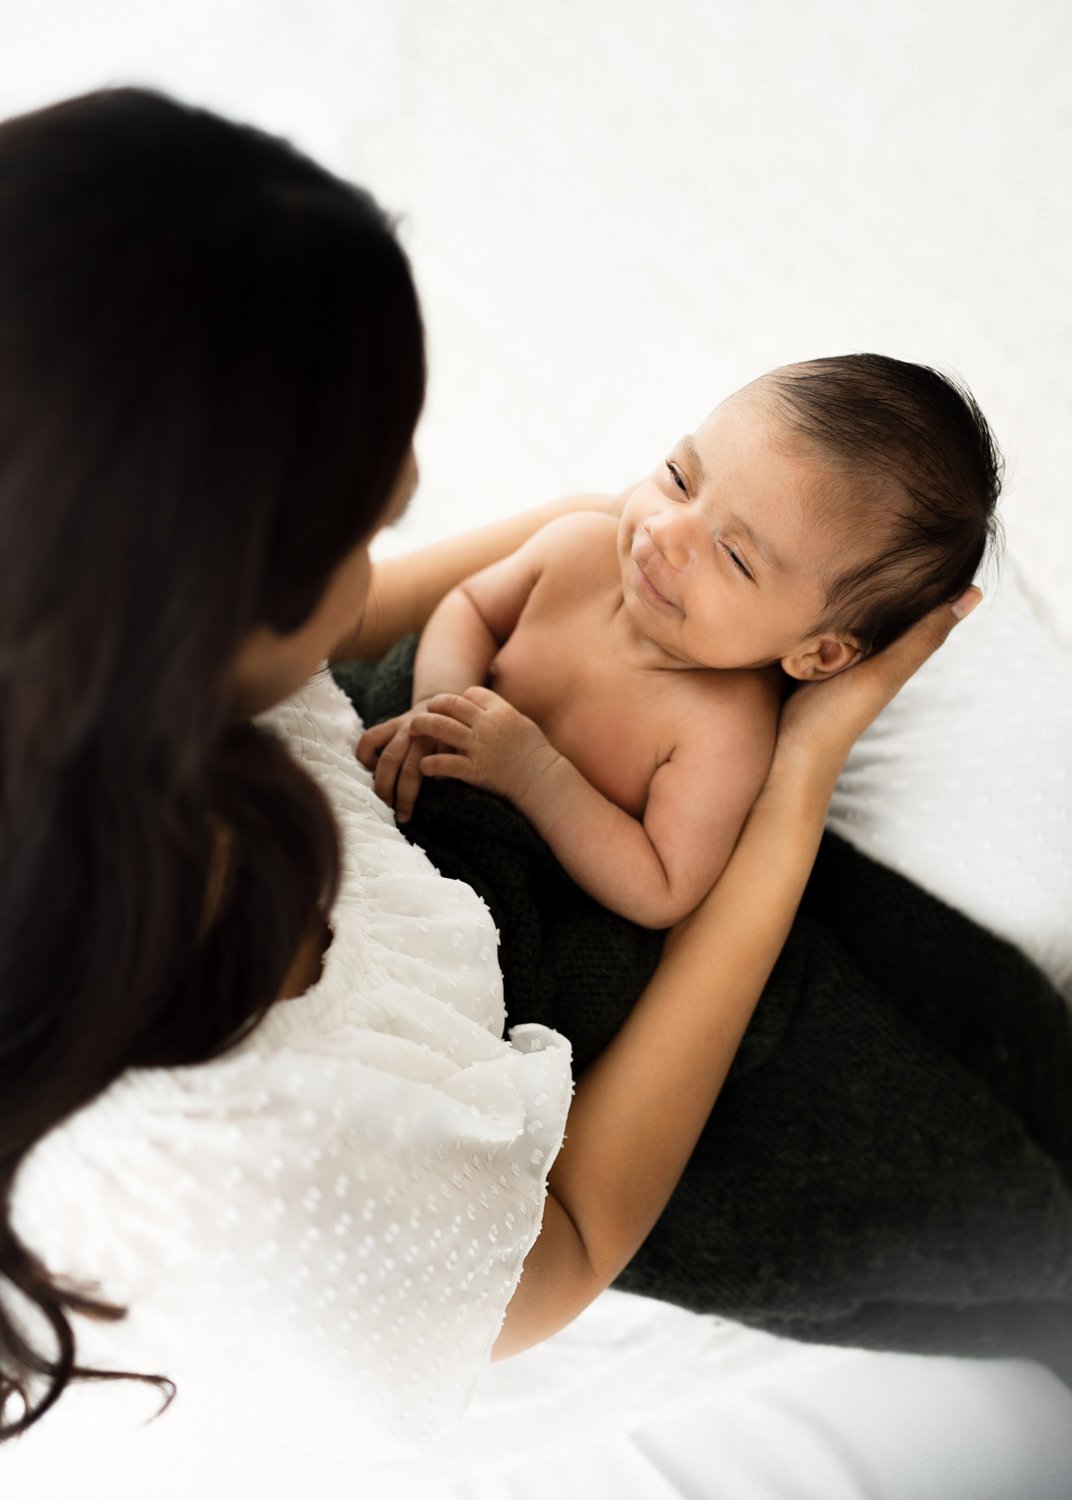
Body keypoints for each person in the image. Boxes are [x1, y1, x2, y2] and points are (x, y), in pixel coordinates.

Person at [0, 85, 978, 1478]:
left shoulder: (110, 616)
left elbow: (370, 625)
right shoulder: (271, 1169)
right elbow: (570, 1239)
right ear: (203, 584)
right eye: (370, 505)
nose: (413, 492)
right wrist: (783, 769)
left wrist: (685, 577)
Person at [356, 356, 1000, 927]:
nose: (667, 531)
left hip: (509, 891)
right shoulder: (575, 549)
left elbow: (662, 887)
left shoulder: (723, 728)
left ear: (820, 654)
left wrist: (537, 776)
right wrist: (439, 707)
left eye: (734, 556)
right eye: (680, 478)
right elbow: (469, 607)